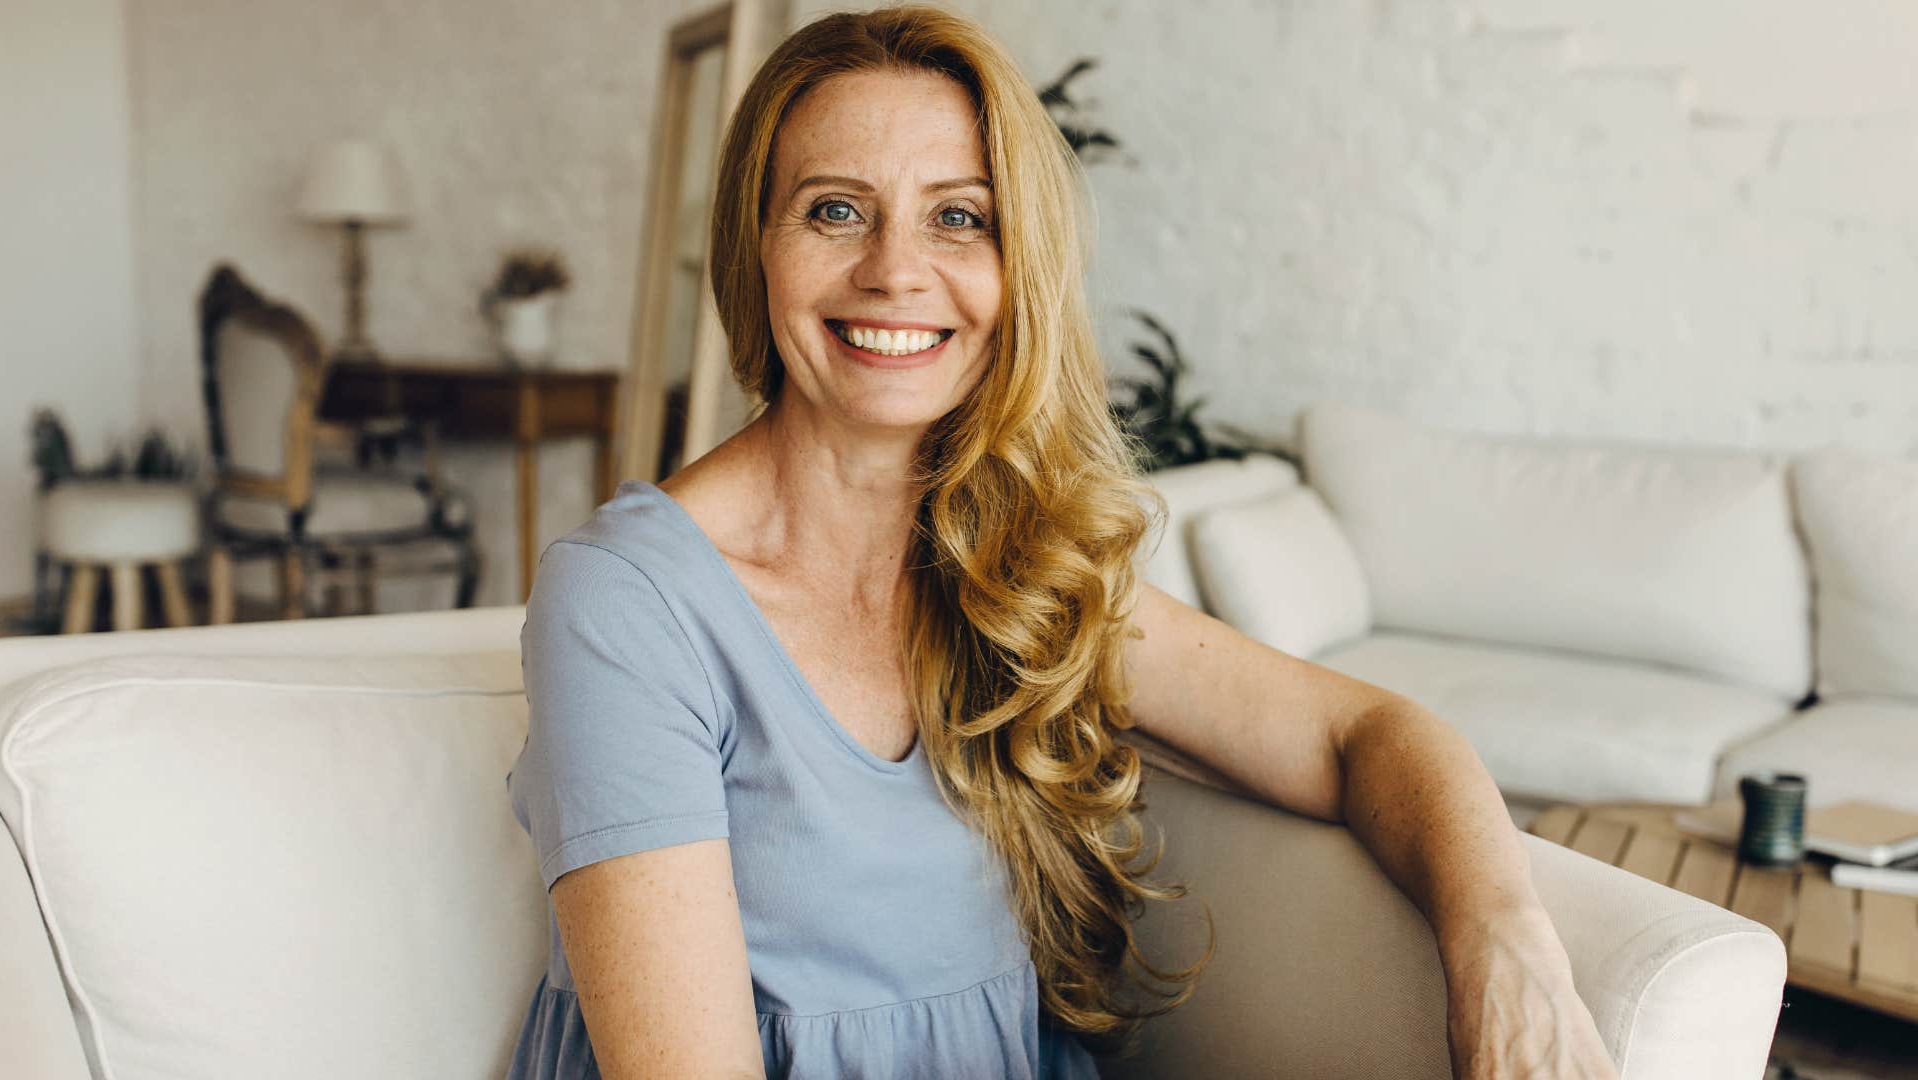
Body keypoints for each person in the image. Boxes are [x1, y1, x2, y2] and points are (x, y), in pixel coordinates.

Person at [504, 6, 1618, 1079]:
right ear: (756, 248)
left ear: (1016, 265)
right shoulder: (628, 604)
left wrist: (1503, 947)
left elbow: (1363, 735)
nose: (896, 270)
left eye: (959, 216)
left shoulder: (1016, 559)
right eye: (835, 210)